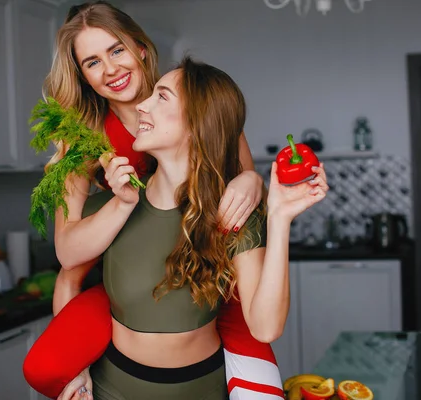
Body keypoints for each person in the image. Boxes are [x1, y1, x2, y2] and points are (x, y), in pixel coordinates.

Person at [22, 2, 282, 399]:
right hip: (131, 262)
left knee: (260, 383)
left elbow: (238, 184)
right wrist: (78, 361)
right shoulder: (84, 139)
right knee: (47, 367)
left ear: (140, 47)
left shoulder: (191, 99)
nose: (109, 69)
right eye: (92, 62)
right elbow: (70, 263)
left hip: (206, 263)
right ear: (83, 77)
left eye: (116, 50)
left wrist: (251, 180)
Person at [82, 56, 328, 399]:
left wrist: (280, 217)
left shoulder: (233, 211)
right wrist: (73, 368)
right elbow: (69, 281)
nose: (142, 105)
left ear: (197, 124)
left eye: (162, 97)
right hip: (112, 389)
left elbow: (265, 326)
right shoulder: (113, 206)